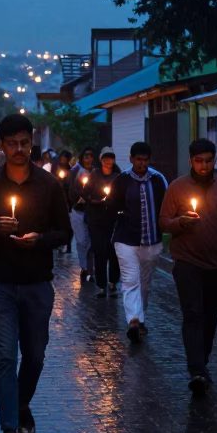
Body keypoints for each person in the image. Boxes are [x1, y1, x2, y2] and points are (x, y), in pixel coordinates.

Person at [0, 114, 72, 433]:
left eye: (24, 142)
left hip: (37, 284)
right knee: (5, 357)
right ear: (2, 145)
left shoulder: (48, 185)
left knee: (36, 356)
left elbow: (65, 232)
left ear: (31, 142)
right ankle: (9, 431)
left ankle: (21, 402)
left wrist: (40, 239)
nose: (19, 149)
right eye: (12, 143)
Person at [160, 139, 217, 394]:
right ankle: (196, 369)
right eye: (199, 160)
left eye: (209, 160)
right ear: (190, 161)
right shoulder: (177, 188)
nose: (204, 165)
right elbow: (164, 222)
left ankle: (203, 361)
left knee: (210, 316)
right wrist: (180, 222)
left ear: (215, 160)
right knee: (193, 313)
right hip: (187, 261)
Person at [107, 142, 169, 342]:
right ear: (131, 159)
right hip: (126, 240)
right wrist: (120, 214)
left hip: (152, 241)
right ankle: (133, 320)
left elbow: (166, 206)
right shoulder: (122, 180)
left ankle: (140, 319)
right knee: (130, 280)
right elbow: (111, 205)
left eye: (145, 159)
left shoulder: (159, 180)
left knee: (145, 283)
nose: (142, 163)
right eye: (138, 159)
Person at [83, 147, 123, 298]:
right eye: (105, 158)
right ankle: (101, 285)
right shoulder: (95, 175)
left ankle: (113, 282)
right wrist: (95, 201)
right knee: (100, 252)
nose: (108, 161)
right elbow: (85, 193)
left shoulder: (118, 177)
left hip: (113, 220)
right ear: (101, 160)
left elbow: (122, 196)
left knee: (113, 252)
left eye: (110, 158)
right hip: (96, 219)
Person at [68, 147, 97, 284]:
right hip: (78, 210)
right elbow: (70, 191)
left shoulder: (96, 173)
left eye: (91, 156)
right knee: (81, 241)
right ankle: (83, 266)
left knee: (91, 241)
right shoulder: (75, 172)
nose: (89, 159)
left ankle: (90, 268)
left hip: (92, 211)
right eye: (86, 156)